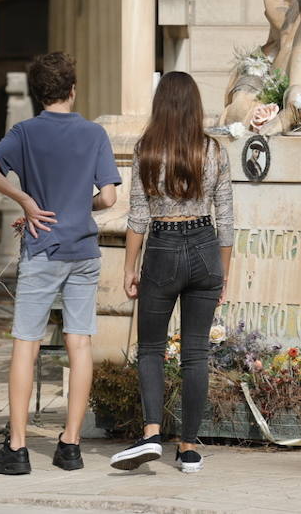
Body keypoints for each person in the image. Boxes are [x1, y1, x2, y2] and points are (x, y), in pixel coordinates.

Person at [0, 52, 120, 475]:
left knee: (27, 343)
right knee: (80, 344)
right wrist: (79, 205)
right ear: (73, 90)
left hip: (41, 249)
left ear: (38, 94)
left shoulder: (25, 132)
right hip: (84, 251)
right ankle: (71, 446)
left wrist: (26, 200)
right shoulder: (94, 133)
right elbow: (110, 198)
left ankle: (18, 449)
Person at [110, 71, 234, 475]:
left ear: (160, 106)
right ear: (196, 106)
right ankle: (189, 448)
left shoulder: (147, 149)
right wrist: (224, 273)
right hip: (203, 245)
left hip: (162, 247)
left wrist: (130, 267)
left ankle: (150, 433)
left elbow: (138, 217)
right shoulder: (213, 151)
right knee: (195, 352)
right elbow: (228, 220)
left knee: (150, 348)